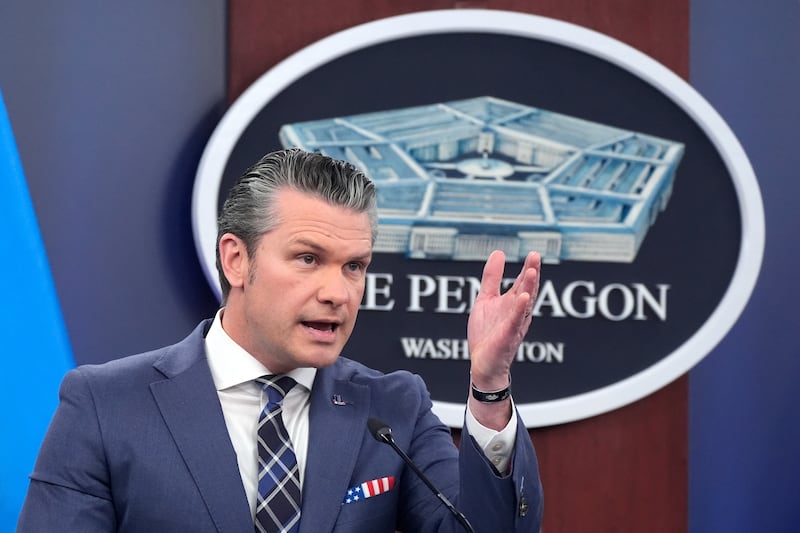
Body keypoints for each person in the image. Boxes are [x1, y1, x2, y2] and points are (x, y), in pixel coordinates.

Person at [18, 148, 544, 532]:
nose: (337, 292)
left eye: (354, 266)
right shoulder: (107, 405)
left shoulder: (391, 407)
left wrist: (490, 384)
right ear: (236, 259)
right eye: (308, 258)